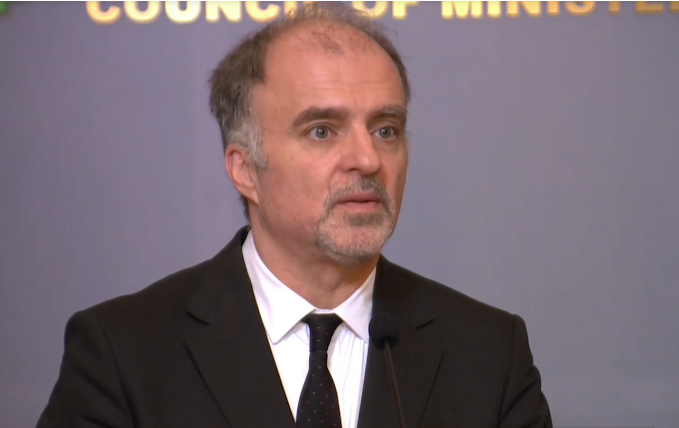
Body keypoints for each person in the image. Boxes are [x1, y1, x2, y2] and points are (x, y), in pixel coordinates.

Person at [36, 3, 552, 428]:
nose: (367, 159)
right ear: (245, 169)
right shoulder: (124, 353)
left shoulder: (488, 354)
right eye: (322, 131)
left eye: (385, 130)